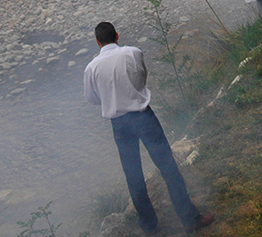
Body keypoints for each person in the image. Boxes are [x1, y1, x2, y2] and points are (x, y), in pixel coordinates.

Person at [84, 22, 214, 235]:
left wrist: (112, 98)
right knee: (168, 168)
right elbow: (140, 80)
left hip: (119, 124)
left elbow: (92, 98)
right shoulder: (132, 53)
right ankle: (190, 218)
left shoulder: (92, 68)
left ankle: (150, 228)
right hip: (143, 117)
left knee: (133, 177)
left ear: (98, 42)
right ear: (117, 35)